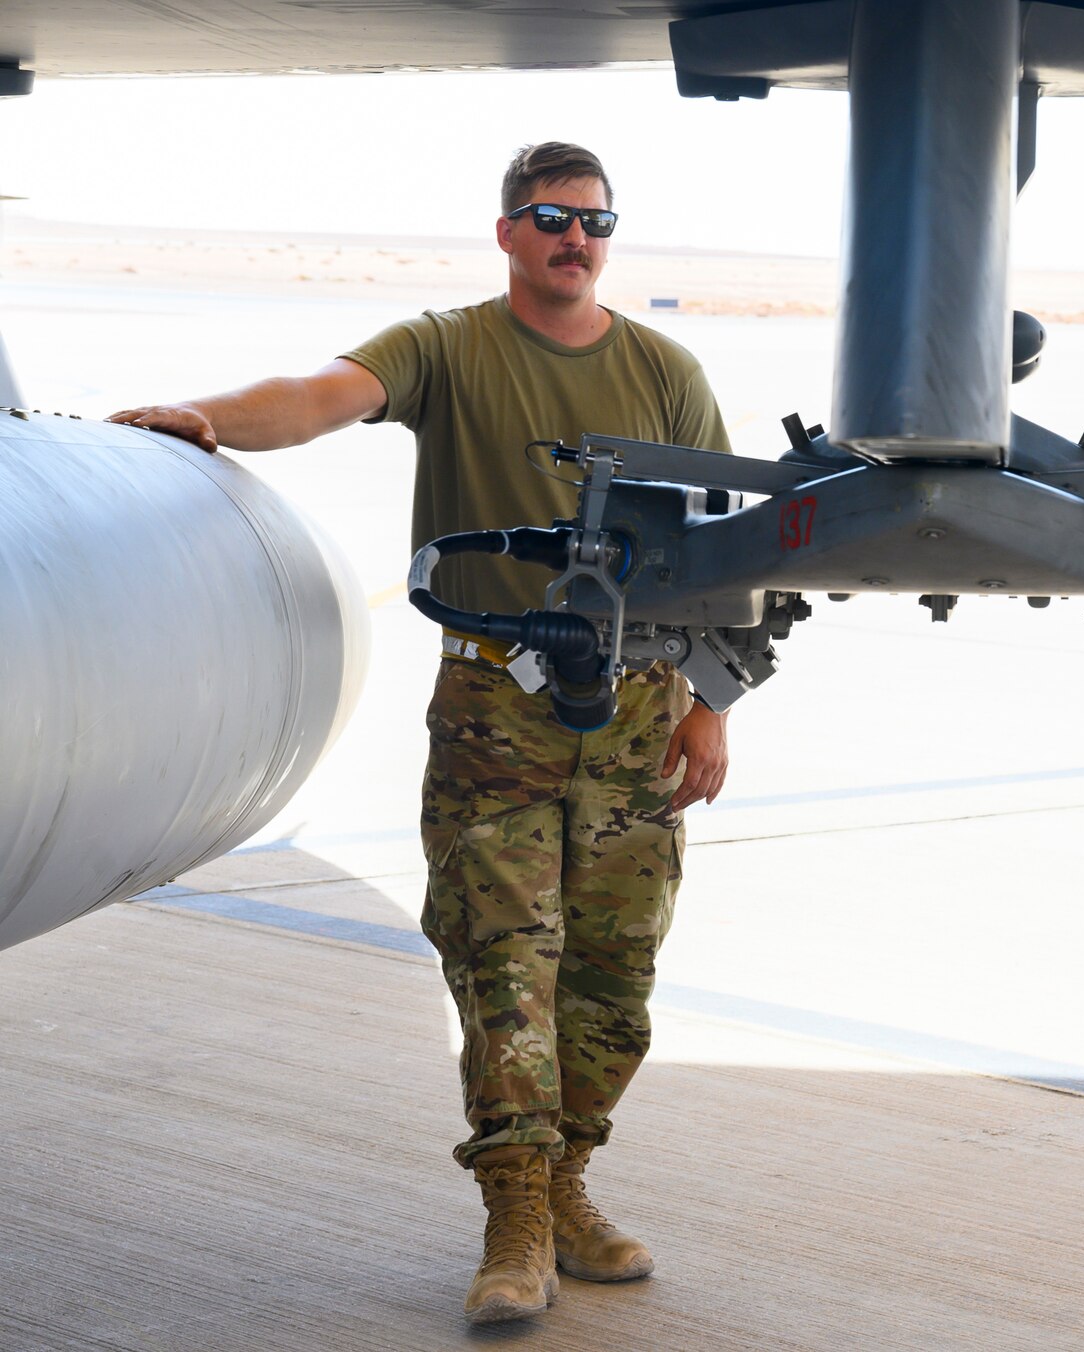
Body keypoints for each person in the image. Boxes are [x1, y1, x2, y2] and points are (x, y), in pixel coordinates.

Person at [109, 142, 733, 1326]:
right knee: (504, 969)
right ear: (507, 232)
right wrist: (204, 418)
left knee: (613, 983)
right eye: (550, 218)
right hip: (498, 709)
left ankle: (569, 1182)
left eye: (595, 222)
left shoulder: (665, 369)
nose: (575, 238)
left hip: (641, 713)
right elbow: (313, 397)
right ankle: (515, 1217)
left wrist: (712, 700)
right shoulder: (446, 347)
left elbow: (720, 546)